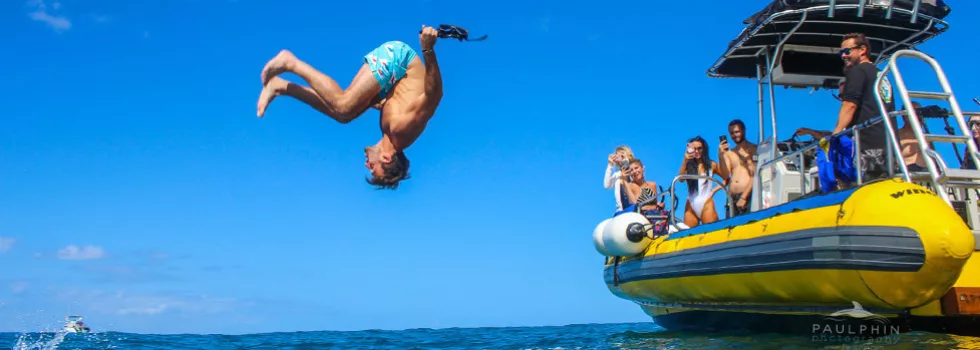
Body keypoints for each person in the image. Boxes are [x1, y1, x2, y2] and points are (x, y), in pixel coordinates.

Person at [256, 25, 446, 189]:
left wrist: (373, 103)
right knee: (344, 105)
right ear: (386, 159)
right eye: (373, 168)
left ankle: (280, 86)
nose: (367, 166)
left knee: (343, 116)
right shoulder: (402, 130)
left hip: (394, 82)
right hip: (401, 62)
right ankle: (290, 62)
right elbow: (434, 96)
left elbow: (399, 100)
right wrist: (428, 50)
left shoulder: (389, 132)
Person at [795, 33, 896, 183]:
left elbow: (850, 104)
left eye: (847, 51)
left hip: (866, 146)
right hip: (888, 146)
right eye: (841, 52)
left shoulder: (858, 71)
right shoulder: (879, 74)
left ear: (862, 50)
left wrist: (835, 135)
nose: (843, 56)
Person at [679, 136, 728, 228]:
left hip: (706, 202)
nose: (697, 151)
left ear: (704, 149)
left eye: (699, 148)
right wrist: (685, 160)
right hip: (691, 204)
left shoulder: (711, 165)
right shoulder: (688, 165)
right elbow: (681, 179)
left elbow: (727, 179)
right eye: (694, 148)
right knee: (689, 235)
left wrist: (714, 190)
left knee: (711, 232)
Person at [718, 119, 757, 216]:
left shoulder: (754, 149)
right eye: (731, 133)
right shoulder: (730, 153)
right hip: (731, 198)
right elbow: (725, 174)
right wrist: (721, 155)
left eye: (737, 132)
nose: (734, 135)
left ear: (743, 130)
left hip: (747, 196)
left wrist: (744, 197)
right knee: (730, 228)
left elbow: (755, 174)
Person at [604, 146, 636, 213]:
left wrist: (625, 159)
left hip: (633, 207)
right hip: (620, 210)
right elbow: (606, 185)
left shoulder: (633, 169)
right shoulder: (617, 174)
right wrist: (610, 165)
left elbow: (627, 168)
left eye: (617, 153)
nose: (615, 155)